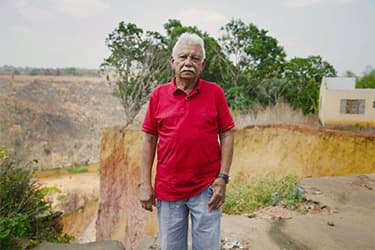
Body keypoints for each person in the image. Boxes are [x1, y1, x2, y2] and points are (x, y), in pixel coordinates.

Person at [140, 32, 234, 250]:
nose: (188, 62)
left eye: (195, 58)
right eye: (183, 57)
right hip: (168, 188)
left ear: (203, 64)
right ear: (173, 62)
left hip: (207, 188)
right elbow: (149, 139)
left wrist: (222, 178)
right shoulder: (158, 95)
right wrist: (145, 184)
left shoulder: (215, 93)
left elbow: (227, 134)